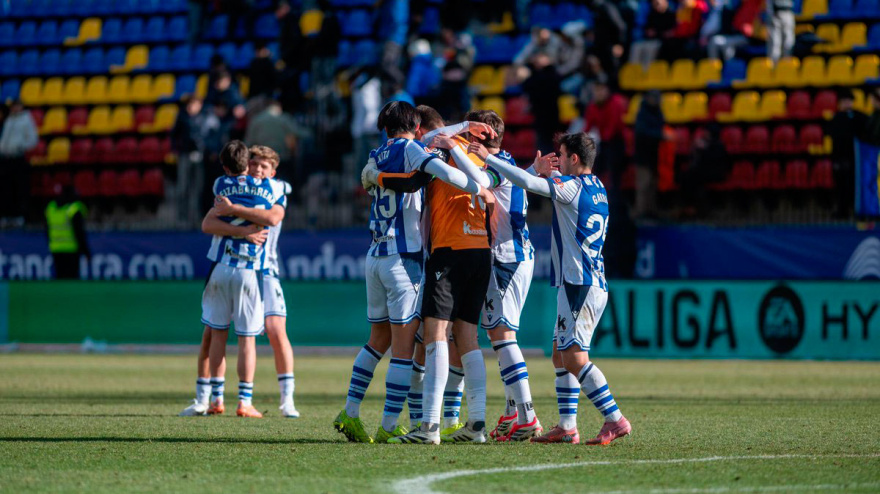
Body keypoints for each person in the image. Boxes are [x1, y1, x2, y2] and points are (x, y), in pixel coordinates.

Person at [333, 101, 489, 444]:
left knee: (377, 340)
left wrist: (460, 126)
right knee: (404, 348)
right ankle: (390, 424)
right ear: (414, 124)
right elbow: (446, 174)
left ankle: (351, 411)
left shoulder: (376, 156)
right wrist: (478, 187)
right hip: (403, 260)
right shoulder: (412, 149)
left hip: (374, 255)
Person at [473, 132, 632, 446]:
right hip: (582, 281)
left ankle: (615, 419)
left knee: (574, 357)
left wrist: (489, 158)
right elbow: (557, 184)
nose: (558, 160)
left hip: (580, 284)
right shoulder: (597, 187)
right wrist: (547, 171)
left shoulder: (570, 189)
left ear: (574, 159)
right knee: (560, 355)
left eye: (561, 155)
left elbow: (529, 185)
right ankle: (567, 426)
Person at [439, 109, 558, 442]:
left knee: (502, 337)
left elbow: (482, 184)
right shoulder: (506, 162)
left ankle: (528, 415)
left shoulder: (493, 165)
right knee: (498, 336)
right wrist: (533, 169)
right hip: (514, 256)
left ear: (481, 136)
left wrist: (454, 149)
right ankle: (511, 411)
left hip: (506, 259)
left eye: (471, 131)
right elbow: (512, 181)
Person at [180, 146, 299, 418]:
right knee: (215, 333)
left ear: (273, 170)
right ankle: (207, 397)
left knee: (275, 330)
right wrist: (243, 229)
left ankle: (286, 401)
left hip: (265, 269)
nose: (258, 170)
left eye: (264, 167)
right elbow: (209, 221)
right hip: (248, 268)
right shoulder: (250, 187)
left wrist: (234, 210)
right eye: (254, 165)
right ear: (247, 165)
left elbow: (273, 217)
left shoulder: (277, 188)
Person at [828, 90, 869, 219]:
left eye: (849, 101)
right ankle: (842, 212)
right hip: (840, 159)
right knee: (841, 187)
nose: (846, 104)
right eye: (844, 101)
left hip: (856, 159)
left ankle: (860, 212)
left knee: (857, 186)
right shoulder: (836, 118)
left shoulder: (859, 117)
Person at [584, 77, 627, 196]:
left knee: (614, 174)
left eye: (601, 90)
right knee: (595, 168)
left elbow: (613, 127)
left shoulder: (615, 104)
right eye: (596, 90)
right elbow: (588, 126)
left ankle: (614, 200)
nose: (599, 93)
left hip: (615, 142)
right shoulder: (592, 106)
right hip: (603, 142)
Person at [0, 99, 38, 227]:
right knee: (6, 188)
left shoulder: (26, 120)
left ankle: (19, 215)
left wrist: (20, 146)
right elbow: (5, 138)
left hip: (18, 157)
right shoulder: (9, 120)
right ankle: (7, 215)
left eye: (16, 106)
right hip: (6, 158)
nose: (14, 109)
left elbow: (33, 140)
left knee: (19, 188)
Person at [45, 185, 89, 280]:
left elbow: (47, 230)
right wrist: (86, 251)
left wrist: (50, 243)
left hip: (56, 248)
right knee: (71, 279)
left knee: (60, 278)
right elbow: (79, 233)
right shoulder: (73, 209)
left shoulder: (51, 207)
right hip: (71, 249)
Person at [634, 91, 665, 219]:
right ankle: (641, 212)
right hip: (643, 155)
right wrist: (660, 135)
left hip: (654, 154)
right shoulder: (642, 113)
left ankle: (652, 211)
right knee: (644, 184)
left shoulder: (657, 112)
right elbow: (643, 131)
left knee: (652, 183)